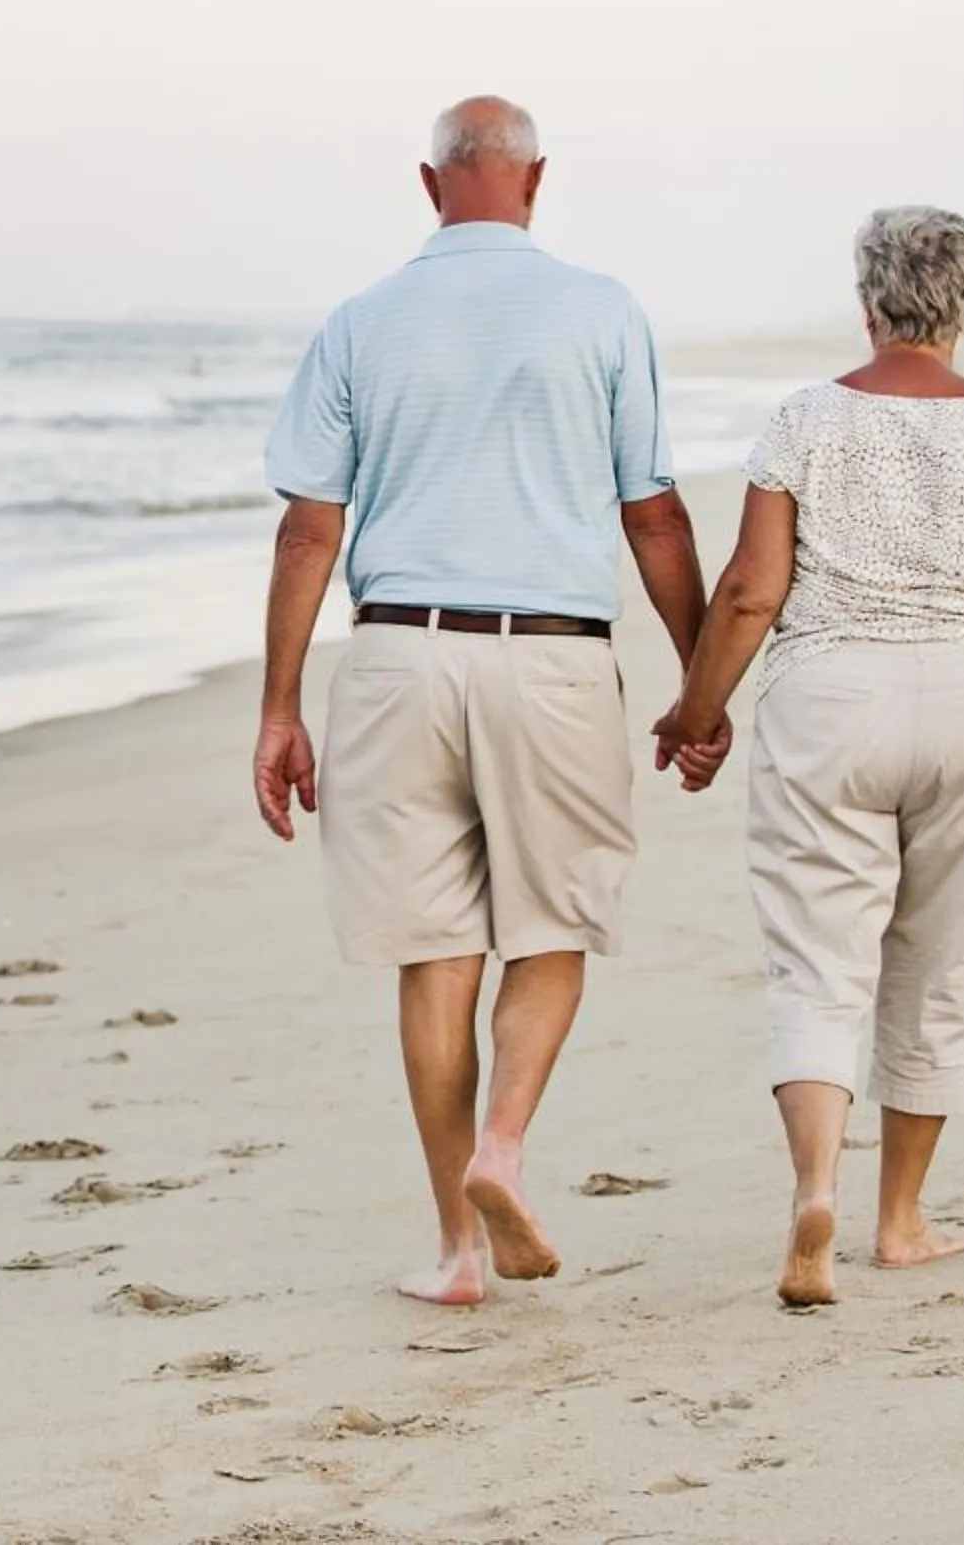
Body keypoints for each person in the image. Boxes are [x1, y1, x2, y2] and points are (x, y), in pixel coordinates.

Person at [253, 96, 717, 1307]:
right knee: (552, 925)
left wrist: (279, 707)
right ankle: (502, 1148)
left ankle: (457, 1252)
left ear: (428, 184)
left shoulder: (361, 321)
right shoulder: (603, 310)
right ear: (536, 180)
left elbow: (311, 526)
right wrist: (700, 681)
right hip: (552, 655)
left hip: (398, 656)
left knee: (433, 950)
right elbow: (653, 512)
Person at [653, 206, 964, 1308]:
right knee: (943, 960)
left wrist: (696, 713)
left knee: (819, 961)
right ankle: (902, 1219)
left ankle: (817, 1191)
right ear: (962, 305)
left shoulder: (806, 420)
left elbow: (747, 593)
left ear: (867, 301)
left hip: (830, 699)